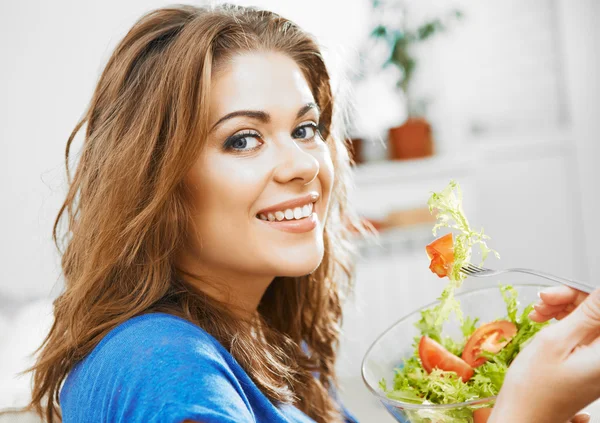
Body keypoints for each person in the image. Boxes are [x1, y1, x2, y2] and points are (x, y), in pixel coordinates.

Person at [26, 4, 600, 423]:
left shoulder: (270, 339)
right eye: (243, 139)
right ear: (156, 181)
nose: (303, 163)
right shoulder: (162, 366)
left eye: (306, 129)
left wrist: (501, 393)